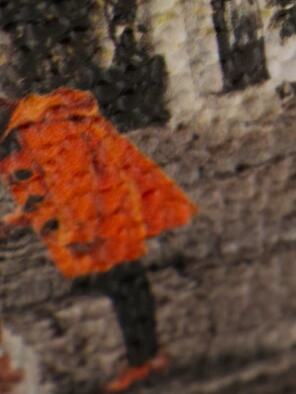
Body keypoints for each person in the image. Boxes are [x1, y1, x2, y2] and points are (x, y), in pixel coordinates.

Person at [0, 73, 196, 393]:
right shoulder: (22, 128)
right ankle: (147, 355)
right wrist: (17, 219)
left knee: (124, 285)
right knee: (123, 284)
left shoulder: (39, 125)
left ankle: (145, 359)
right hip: (98, 213)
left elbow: (75, 182)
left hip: (101, 217)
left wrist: (79, 233)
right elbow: (45, 186)